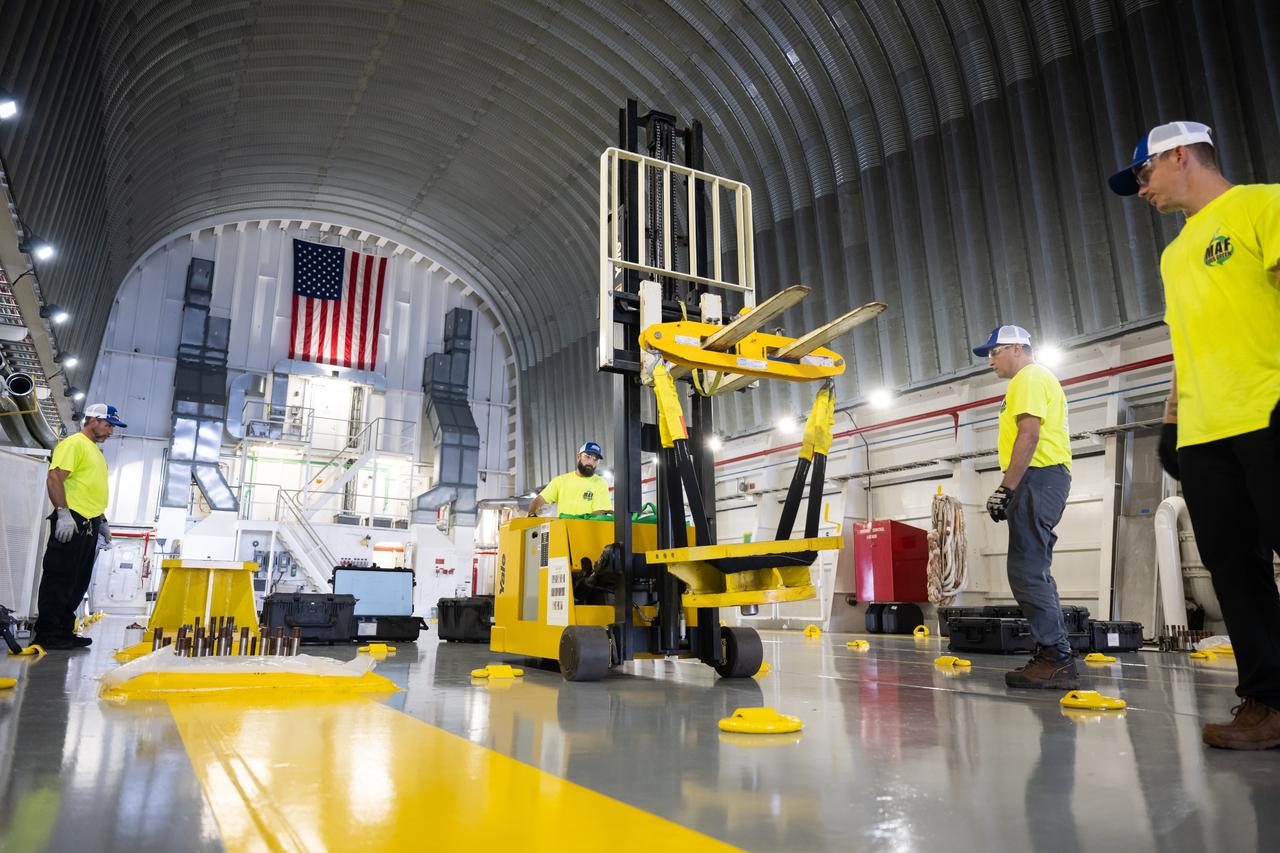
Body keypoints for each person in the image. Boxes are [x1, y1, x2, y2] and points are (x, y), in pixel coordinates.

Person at [1109, 120, 1280, 749]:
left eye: (1144, 175)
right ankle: (1267, 704)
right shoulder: (1175, 253)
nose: (1142, 191)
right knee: (1234, 572)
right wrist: (1172, 422)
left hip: (1268, 412)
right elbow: (1186, 345)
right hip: (1207, 435)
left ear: (1180, 156)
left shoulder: (1264, 203)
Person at [975, 325, 1077, 689]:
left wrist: (1006, 488)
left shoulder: (1029, 377)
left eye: (994, 351)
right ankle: (1053, 653)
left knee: (1026, 569)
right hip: (1042, 478)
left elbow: (1029, 434)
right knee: (1032, 568)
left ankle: (1056, 657)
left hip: (1039, 477)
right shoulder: (1030, 379)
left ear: (1017, 348)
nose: (990, 360)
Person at [31, 403, 127, 650]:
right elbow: (55, 477)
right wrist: (63, 513)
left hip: (89, 523)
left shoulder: (94, 451)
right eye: (108, 425)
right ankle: (47, 633)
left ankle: (63, 631)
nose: (110, 431)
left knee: (77, 582)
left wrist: (102, 521)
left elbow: (88, 489)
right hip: (72, 520)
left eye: (113, 427)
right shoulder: (74, 444)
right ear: (92, 420)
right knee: (59, 578)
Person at [528, 441, 611, 518]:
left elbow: (600, 511)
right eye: (588, 456)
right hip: (562, 531)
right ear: (578, 457)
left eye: (595, 459)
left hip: (586, 531)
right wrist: (531, 513)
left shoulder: (600, 483)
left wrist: (577, 520)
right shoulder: (560, 481)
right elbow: (539, 499)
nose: (591, 462)